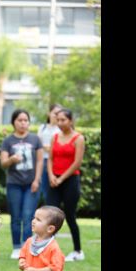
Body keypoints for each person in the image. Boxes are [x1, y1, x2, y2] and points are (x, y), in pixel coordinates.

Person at [0, 109, 44, 260]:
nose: (23, 123)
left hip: (31, 184)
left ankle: (27, 245)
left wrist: (37, 180)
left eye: (26, 120)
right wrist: (12, 159)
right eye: (20, 120)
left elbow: (39, 161)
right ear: (14, 122)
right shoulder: (8, 141)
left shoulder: (35, 139)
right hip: (14, 184)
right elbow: (3, 163)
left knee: (28, 215)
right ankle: (16, 247)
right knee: (16, 217)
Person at [46, 108, 86, 262]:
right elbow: (50, 159)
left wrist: (61, 178)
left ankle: (77, 251)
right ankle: (48, 250)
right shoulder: (54, 137)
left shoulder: (78, 138)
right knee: (50, 215)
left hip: (70, 180)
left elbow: (77, 163)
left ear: (70, 121)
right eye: (58, 120)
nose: (60, 122)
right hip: (54, 180)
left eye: (63, 120)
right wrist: (51, 176)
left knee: (69, 215)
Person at [37, 104, 63, 204]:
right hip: (41, 161)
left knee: (52, 192)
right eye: (55, 113)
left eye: (59, 114)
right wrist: (47, 147)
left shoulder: (60, 129)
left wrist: (46, 147)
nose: (57, 116)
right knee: (42, 189)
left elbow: (58, 148)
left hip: (55, 162)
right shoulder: (42, 127)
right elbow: (38, 145)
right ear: (49, 113)